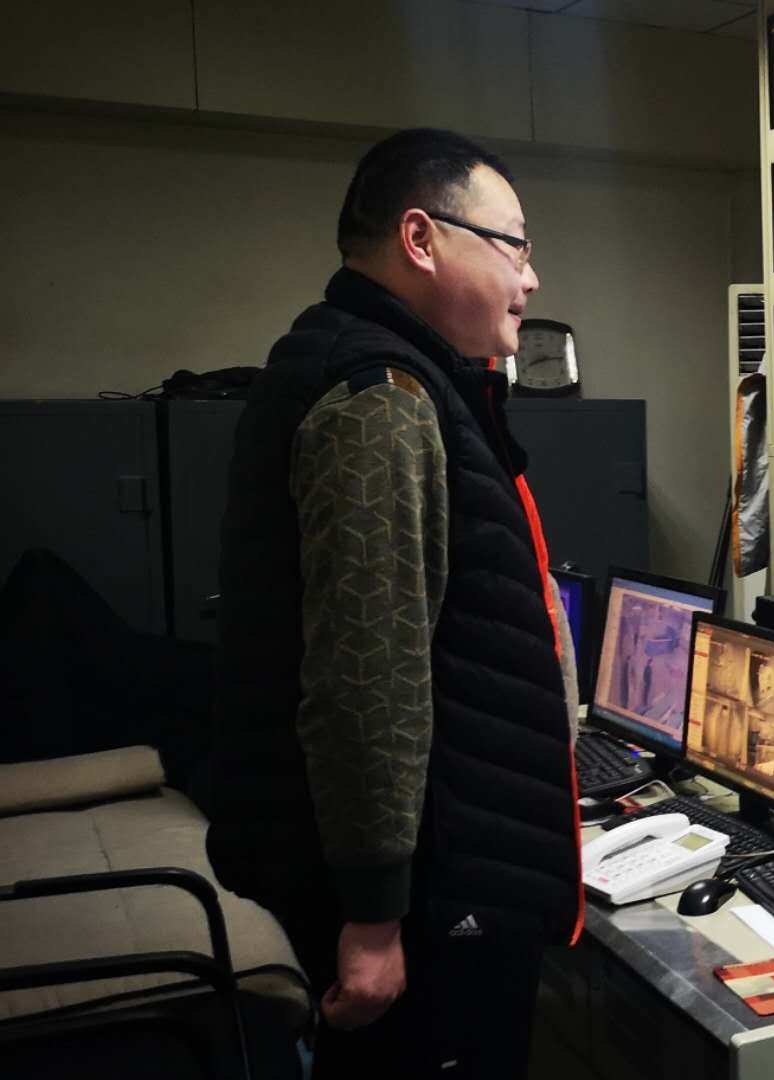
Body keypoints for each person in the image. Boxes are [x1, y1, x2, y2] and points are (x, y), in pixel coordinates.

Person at [204, 128, 580, 1078]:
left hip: (436, 870)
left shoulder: (373, 368)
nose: (531, 279)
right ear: (422, 239)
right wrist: (373, 915)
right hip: (428, 900)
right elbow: (367, 674)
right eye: (515, 245)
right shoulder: (381, 394)